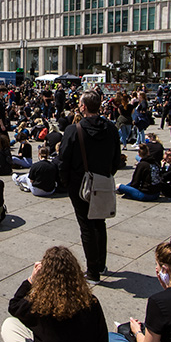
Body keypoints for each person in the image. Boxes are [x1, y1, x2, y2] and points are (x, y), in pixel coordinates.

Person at [57, 91, 122, 282]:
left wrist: (66, 182)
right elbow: (116, 159)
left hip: (79, 184)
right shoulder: (111, 128)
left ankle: (93, 271)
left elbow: (63, 160)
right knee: (99, 223)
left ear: (83, 107)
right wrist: (106, 174)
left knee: (86, 226)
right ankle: (100, 264)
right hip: (102, 181)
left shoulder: (74, 130)